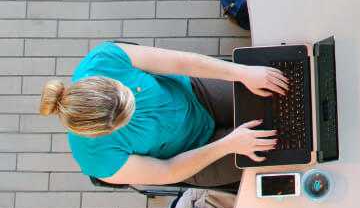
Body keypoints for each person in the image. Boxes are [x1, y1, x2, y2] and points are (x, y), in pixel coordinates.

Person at [39, 41, 288, 187]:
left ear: (107, 81)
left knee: (279, 93)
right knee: (285, 148)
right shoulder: (96, 158)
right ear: (104, 132)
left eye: (128, 94)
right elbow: (167, 171)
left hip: (196, 94)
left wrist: (242, 73)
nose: (136, 108)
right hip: (194, 154)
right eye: (127, 117)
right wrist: (229, 144)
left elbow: (183, 63)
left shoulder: (103, 59)